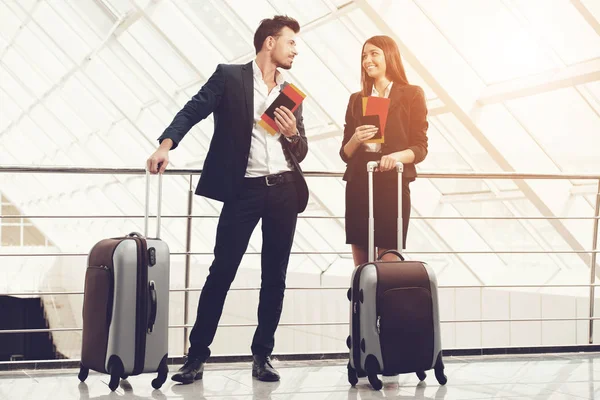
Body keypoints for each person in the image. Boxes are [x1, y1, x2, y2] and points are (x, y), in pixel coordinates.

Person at [146, 15, 308, 383]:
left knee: (275, 276)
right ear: (270, 42)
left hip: (284, 189)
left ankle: (263, 355)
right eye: (291, 43)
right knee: (222, 272)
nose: (296, 50)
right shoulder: (230, 77)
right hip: (244, 191)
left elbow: (302, 150)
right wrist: (165, 146)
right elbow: (193, 109)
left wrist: (293, 132)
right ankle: (196, 357)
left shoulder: (292, 94)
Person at [340, 35, 428, 266]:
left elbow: (420, 147)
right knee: (361, 255)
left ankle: (386, 300)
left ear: (389, 56)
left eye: (373, 54)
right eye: (363, 56)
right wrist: (356, 139)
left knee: (389, 253)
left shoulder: (412, 94)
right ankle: (364, 300)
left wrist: (394, 157)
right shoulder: (356, 99)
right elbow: (345, 153)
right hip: (360, 180)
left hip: (393, 181)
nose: (367, 60)